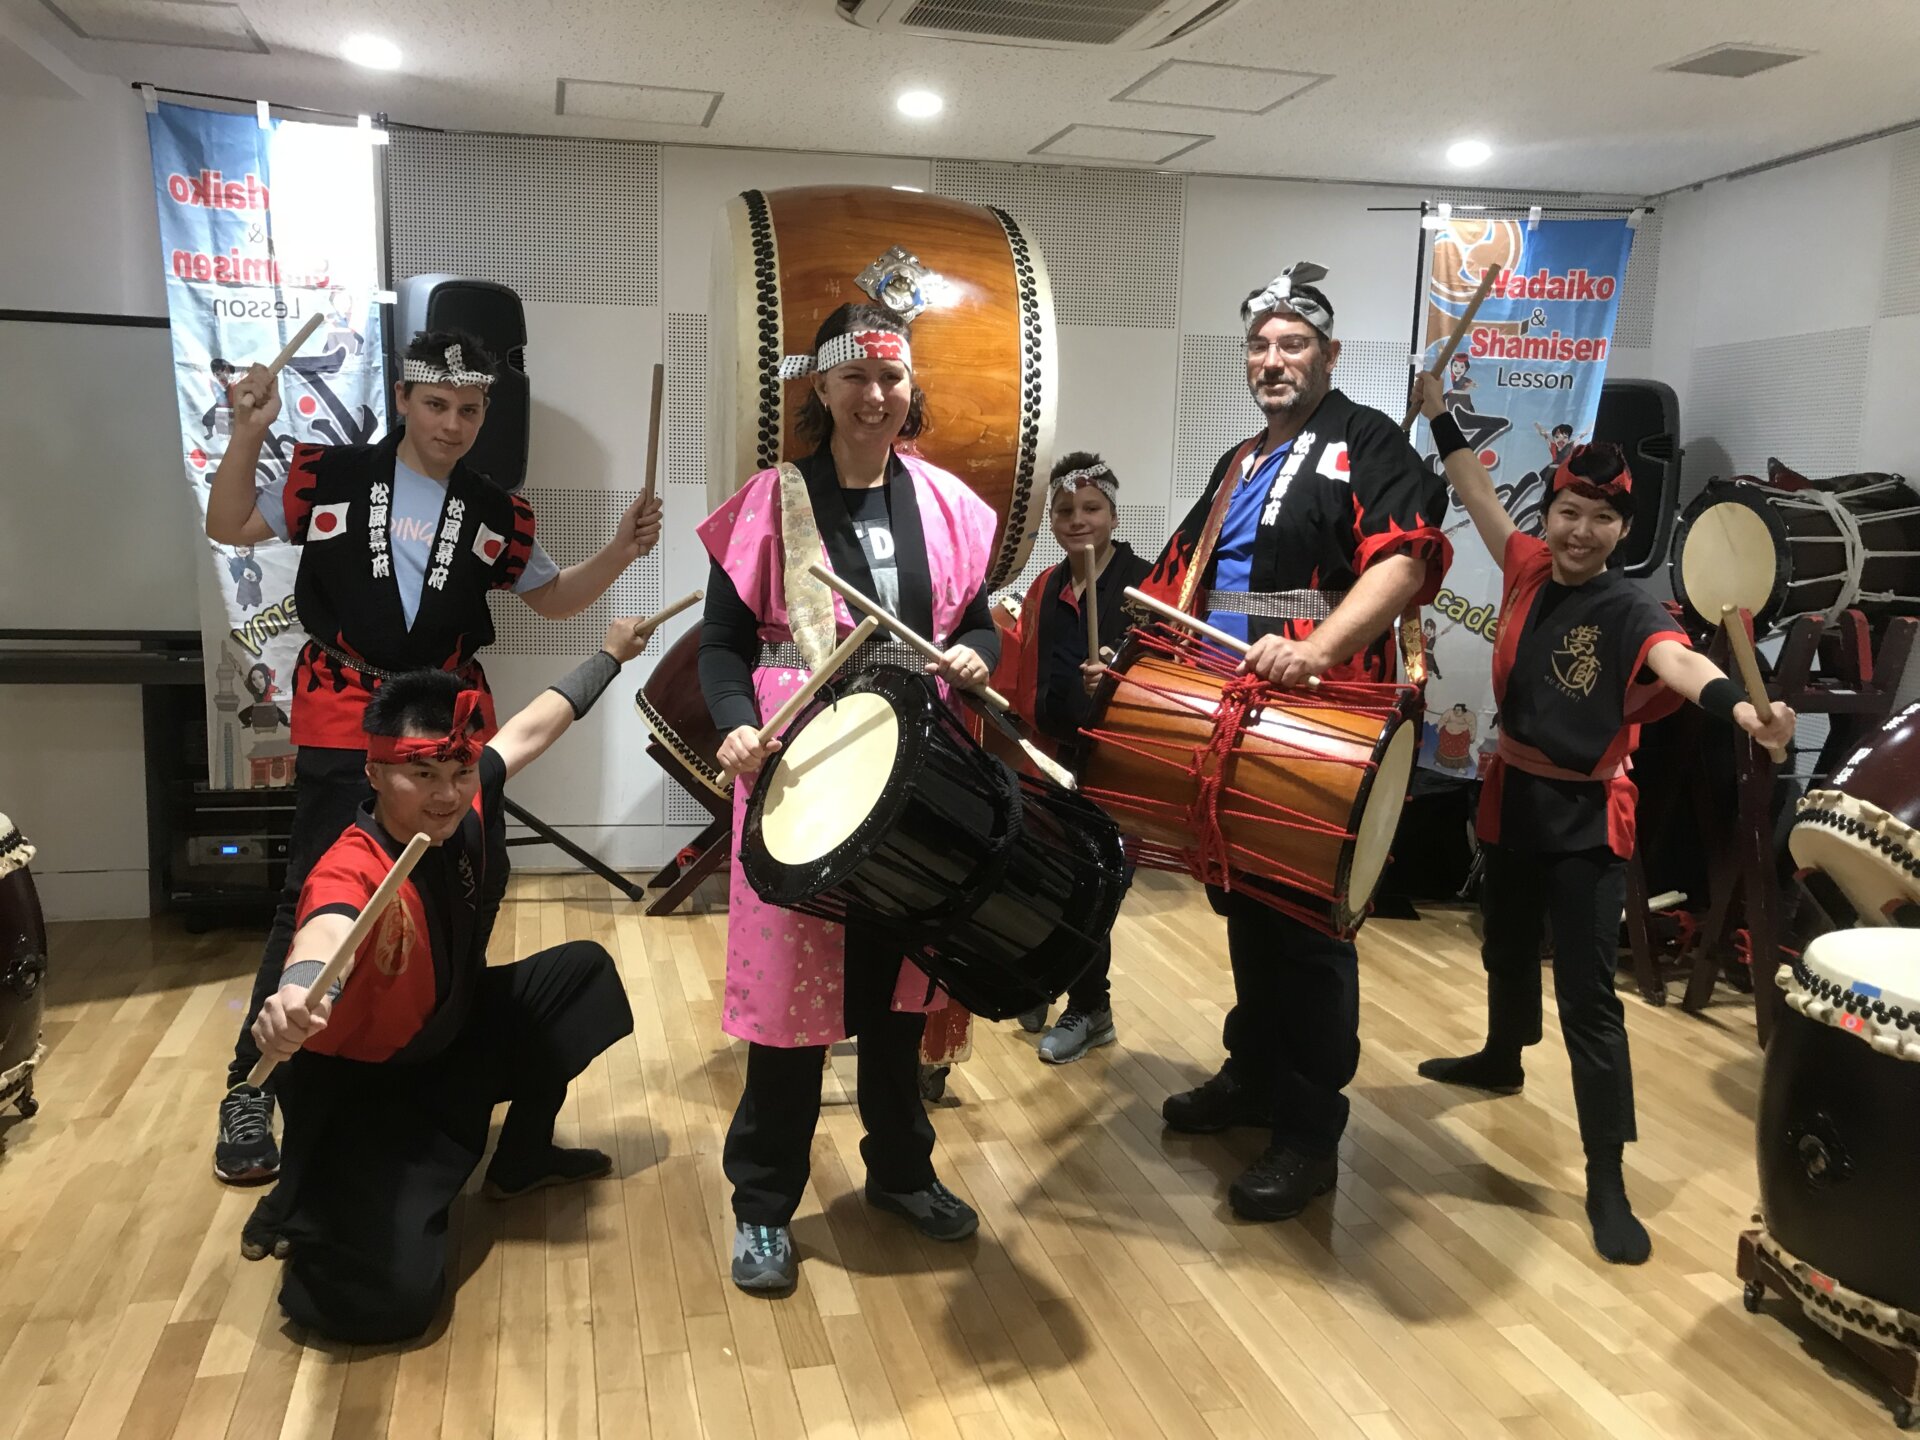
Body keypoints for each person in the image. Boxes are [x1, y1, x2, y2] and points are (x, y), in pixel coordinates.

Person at [203, 330, 663, 1186]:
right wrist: (246, 432)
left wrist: (621, 550)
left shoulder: (495, 511)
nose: (453, 424)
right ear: (404, 401)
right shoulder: (329, 476)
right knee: (315, 891)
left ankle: (433, 1057)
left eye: (471, 409)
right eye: (437, 404)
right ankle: (252, 1086)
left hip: (448, 727)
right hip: (344, 711)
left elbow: (555, 600)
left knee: (461, 888)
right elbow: (227, 524)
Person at [1411, 373, 1796, 1264]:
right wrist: (1438, 413)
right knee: (1505, 945)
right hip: (1512, 794)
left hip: (1586, 817)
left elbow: (1679, 665)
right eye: (1568, 512)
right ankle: (1502, 1055)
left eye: (1601, 518)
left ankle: (1606, 1176)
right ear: (1549, 514)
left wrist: (1744, 710)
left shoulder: (1631, 608)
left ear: (1624, 530)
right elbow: (1475, 490)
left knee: (1588, 1001)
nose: (1580, 531)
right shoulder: (1525, 567)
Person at [698, 302, 1001, 1296]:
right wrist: (734, 721)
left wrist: (976, 654)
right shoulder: (773, 500)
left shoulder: (946, 505)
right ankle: (762, 1203)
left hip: (914, 762)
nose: (875, 396)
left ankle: (902, 1174)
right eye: (856, 378)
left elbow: (982, 628)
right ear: (820, 387)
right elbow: (722, 647)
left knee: (900, 989)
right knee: (792, 999)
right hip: (802, 766)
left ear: (910, 389)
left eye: (892, 378)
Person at [1140, 261, 1451, 1223]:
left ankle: (1311, 1130)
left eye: (1294, 344)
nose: (1274, 360)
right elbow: (1180, 575)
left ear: (1329, 354)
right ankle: (1254, 1075)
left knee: (1310, 927)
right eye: (1261, 346)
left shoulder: (1368, 439)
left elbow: (1404, 562)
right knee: (1245, 902)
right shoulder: (1240, 460)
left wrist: (1316, 649)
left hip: (1321, 711)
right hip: (1230, 709)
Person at [245, 619, 656, 1340]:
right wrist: (296, 997)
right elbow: (325, 931)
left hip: (451, 1032)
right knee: (378, 1306)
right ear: (375, 773)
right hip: (369, 1089)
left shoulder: (467, 793)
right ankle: (315, 1197)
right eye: (423, 775)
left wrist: (613, 654)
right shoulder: (352, 865)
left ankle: (522, 1158)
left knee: (581, 978)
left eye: (459, 773)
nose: (445, 795)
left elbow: (532, 727)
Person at [998, 452, 1153, 1062]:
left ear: (1113, 514)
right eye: (1065, 511)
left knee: (1093, 887)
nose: (1078, 520)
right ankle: (1045, 979)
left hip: (1117, 763)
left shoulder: (1144, 587)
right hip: (1053, 757)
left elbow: (1172, 672)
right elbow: (1025, 668)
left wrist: (1120, 678)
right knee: (1045, 879)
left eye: (1091, 508)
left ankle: (1092, 1007)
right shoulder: (1047, 585)